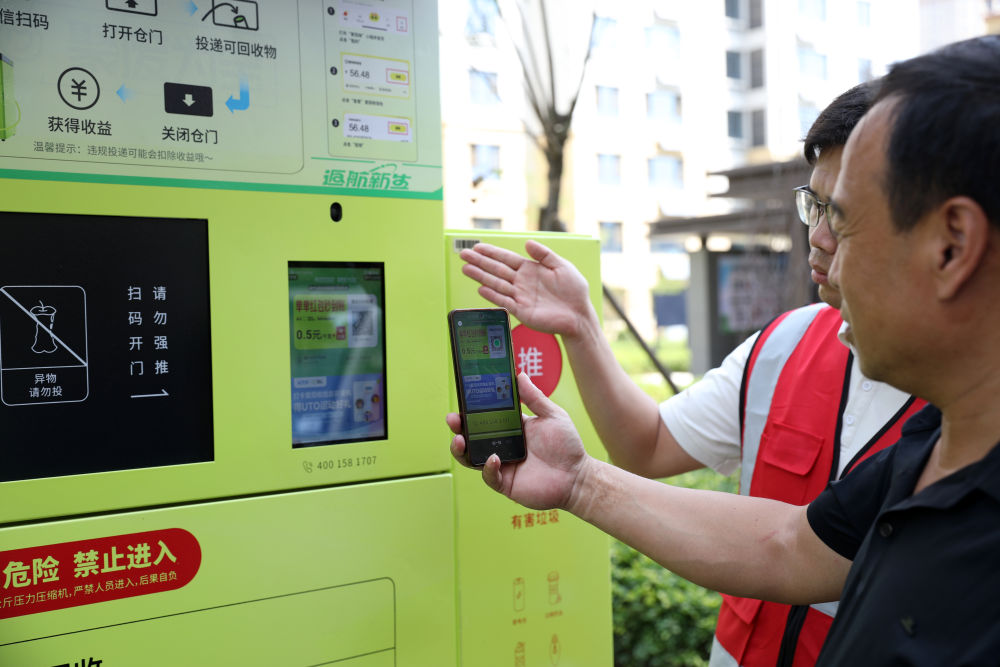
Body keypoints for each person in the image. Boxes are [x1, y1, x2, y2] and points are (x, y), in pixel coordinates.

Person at [448, 35, 1000, 664]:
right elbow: (787, 545)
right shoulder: (929, 441)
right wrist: (579, 481)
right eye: (815, 209)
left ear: (953, 246)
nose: (823, 250)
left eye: (845, 219)